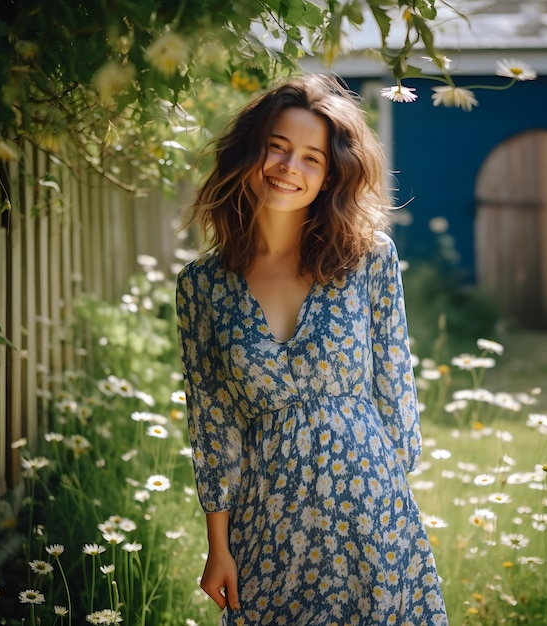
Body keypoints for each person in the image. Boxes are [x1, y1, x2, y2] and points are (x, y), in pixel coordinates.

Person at [176, 73, 448, 626]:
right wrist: (218, 544)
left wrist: (390, 508)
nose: (289, 169)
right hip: (266, 524)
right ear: (250, 153)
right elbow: (212, 423)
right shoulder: (202, 285)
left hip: (369, 512)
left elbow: (396, 390)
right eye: (277, 148)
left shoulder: (369, 258)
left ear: (330, 176)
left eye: (311, 158)